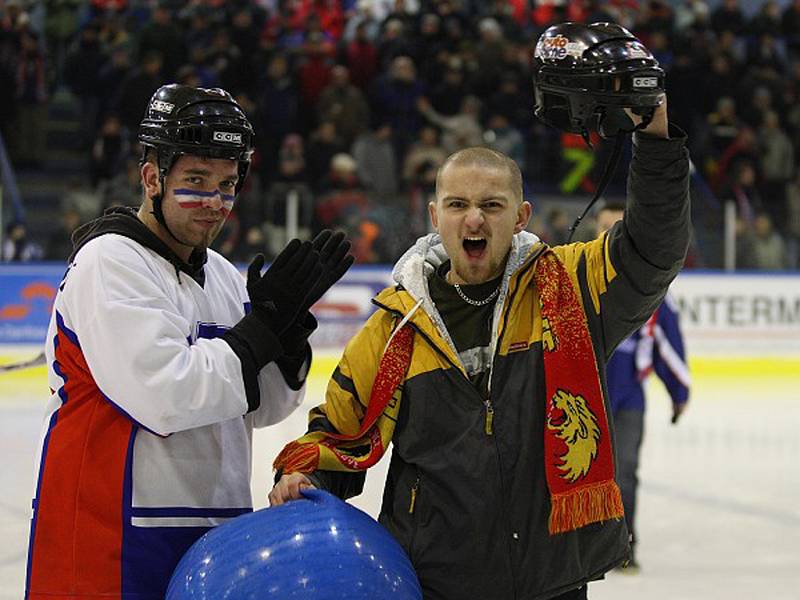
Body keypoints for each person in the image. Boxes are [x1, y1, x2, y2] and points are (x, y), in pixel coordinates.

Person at [270, 92, 691, 599]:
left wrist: (655, 138)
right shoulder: (395, 326)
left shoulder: (569, 289)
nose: (474, 220)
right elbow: (337, 432)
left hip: (552, 581)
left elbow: (652, 250)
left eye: (492, 205)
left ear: (521, 216)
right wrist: (304, 476)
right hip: (437, 582)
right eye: (458, 205)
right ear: (434, 215)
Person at [25, 84, 353, 600]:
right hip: (105, 537)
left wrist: (285, 337)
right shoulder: (110, 262)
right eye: (195, 180)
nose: (214, 202)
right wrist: (260, 332)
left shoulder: (221, 274)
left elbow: (260, 406)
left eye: (227, 184)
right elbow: (165, 395)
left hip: (213, 538)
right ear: (152, 176)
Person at [596, 203, 691, 573]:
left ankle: (624, 544)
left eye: (614, 227)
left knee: (626, 472)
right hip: (583, 395)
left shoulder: (647, 287)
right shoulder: (575, 278)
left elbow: (669, 343)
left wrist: (679, 392)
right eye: (602, 227)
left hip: (629, 397)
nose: (607, 235)